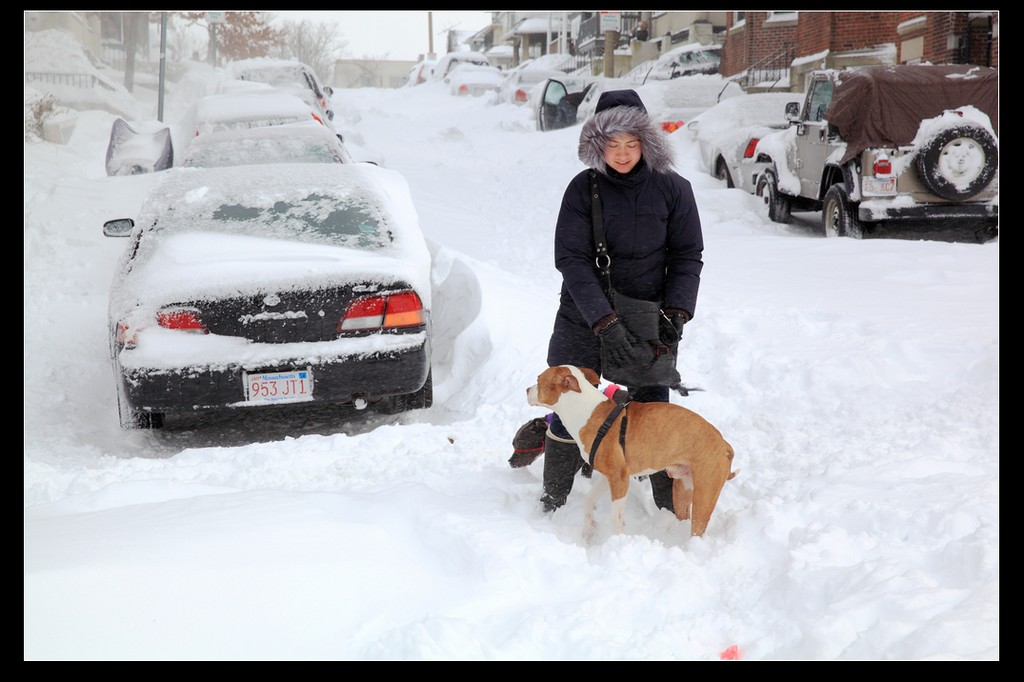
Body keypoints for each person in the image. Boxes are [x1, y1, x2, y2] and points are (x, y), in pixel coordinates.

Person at [540, 88, 704, 513]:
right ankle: (554, 500)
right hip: (585, 314)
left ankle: (667, 509)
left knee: (652, 410)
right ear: (596, 144)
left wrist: (678, 312)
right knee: (569, 402)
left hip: (649, 314)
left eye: (632, 143)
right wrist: (603, 321)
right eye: (612, 144)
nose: (623, 154)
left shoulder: (673, 188)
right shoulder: (582, 189)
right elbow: (571, 259)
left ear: (647, 142)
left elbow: (688, 254)